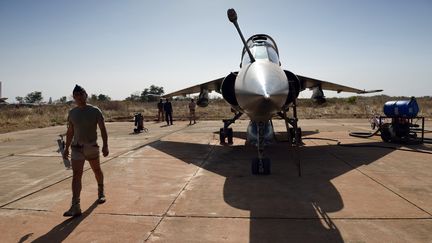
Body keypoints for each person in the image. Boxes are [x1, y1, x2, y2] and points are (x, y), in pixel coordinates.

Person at [62, 84, 109, 217]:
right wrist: (66, 148)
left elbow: (103, 129)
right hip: (77, 148)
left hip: (91, 147)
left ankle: (101, 191)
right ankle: (75, 205)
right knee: (76, 175)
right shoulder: (72, 113)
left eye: (80, 95)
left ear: (85, 95)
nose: (78, 97)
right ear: (74, 97)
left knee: (96, 170)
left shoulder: (95, 111)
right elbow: (70, 132)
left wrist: (105, 145)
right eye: (76, 95)